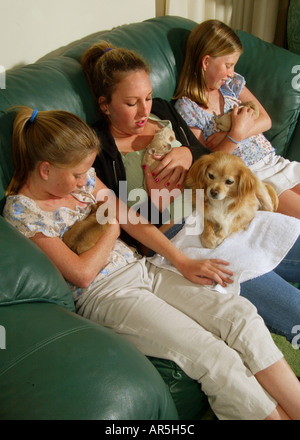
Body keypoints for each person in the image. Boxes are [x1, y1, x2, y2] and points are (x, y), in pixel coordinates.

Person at [3, 106, 300, 420]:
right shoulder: (23, 212)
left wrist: (182, 261)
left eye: (86, 173)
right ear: (46, 170)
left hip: (143, 268)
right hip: (106, 295)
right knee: (213, 356)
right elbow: (83, 273)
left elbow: (130, 219)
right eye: (77, 174)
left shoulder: (86, 181)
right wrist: (112, 227)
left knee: (239, 316)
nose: (83, 181)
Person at [80, 41, 300, 344]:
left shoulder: (162, 109)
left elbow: (204, 155)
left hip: (225, 211)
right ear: (105, 105)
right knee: (295, 310)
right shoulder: (99, 150)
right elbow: (126, 227)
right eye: (131, 103)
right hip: (187, 238)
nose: (144, 109)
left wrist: (185, 152)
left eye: (146, 97)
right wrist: (157, 202)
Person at [174, 19, 300, 220]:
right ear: (206, 62)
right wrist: (233, 136)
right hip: (254, 177)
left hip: (274, 161)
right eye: (228, 65)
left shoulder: (231, 85)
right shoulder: (187, 108)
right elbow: (207, 164)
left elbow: (265, 120)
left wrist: (237, 132)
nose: (231, 72)